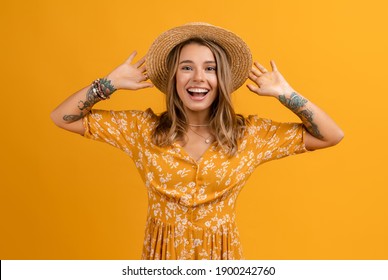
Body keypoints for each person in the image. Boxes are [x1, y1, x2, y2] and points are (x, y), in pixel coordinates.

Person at [51, 22, 344, 260]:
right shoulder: (142, 129)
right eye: (187, 67)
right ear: (174, 77)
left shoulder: (250, 135)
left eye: (211, 68)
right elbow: (63, 116)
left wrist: (286, 95)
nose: (198, 78)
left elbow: (331, 135)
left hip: (222, 261)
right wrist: (108, 84)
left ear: (222, 80)